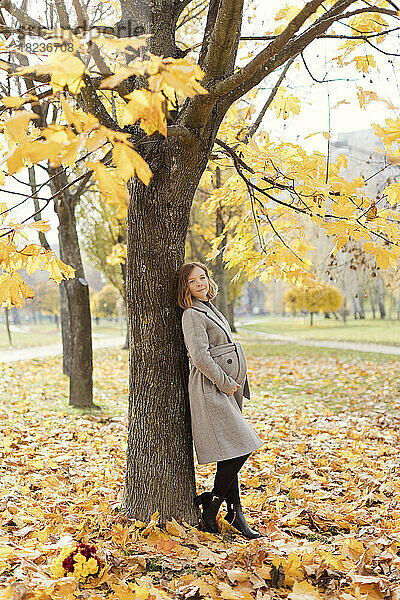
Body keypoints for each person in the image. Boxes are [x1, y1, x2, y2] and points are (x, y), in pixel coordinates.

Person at [177, 261, 264, 539]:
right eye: (193, 281)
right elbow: (200, 355)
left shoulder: (209, 307)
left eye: (202, 277)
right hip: (210, 389)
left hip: (225, 389)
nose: (200, 283)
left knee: (232, 449)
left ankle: (236, 513)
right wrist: (227, 383)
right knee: (243, 445)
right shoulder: (191, 314)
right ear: (185, 287)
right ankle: (212, 505)